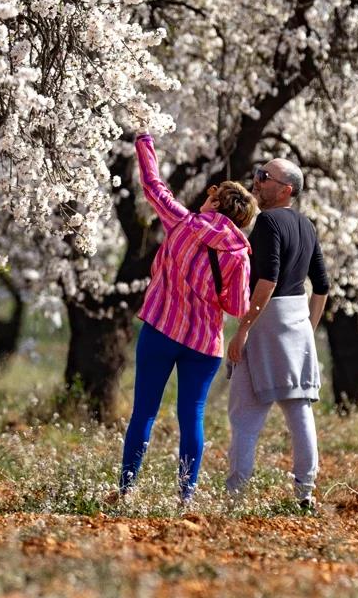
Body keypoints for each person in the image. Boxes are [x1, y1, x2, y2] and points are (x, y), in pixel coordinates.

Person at [118, 132, 258, 503]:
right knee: (191, 418)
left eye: (210, 195)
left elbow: (153, 186)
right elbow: (237, 307)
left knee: (144, 412)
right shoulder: (240, 255)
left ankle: (126, 488)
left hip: (161, 329)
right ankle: (185, 496)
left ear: (214, 201)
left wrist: (144, 141)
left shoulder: (182, 223)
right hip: (203, 344)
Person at [225, 157, 329, 510]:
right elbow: (322, 288)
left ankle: (236, 494)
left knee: (245, 414)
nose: (256, 181)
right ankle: (305, 492)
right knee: (299, 409)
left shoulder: (268, 221)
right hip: (296, 321)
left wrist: (243, 331)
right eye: (257, 173)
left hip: (265, 322)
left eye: (264, 177)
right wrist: (307, 330)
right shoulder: (307, 225)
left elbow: (267, 280)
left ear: (286, 190)